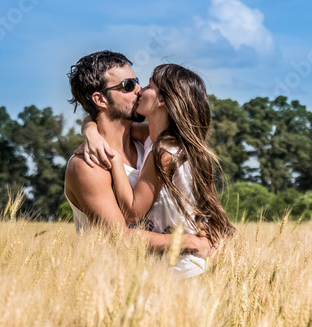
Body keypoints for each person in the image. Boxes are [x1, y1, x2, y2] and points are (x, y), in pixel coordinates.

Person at [79, 63, 236, 278]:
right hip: (175, 265)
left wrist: (114, 159)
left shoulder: (164, 151)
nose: (140, 90)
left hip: (180, 268)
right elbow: (107, 124)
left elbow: (132, 213)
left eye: (149, 86)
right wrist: (90, 132)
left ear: (161, 100)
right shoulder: (153, 137)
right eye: (130, 85)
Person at [63, 51, 215, 261]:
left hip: (162, 283)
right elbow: (121, 238)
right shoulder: (88, 166)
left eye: (137, 82)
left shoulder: (151, 140)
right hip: (110, 287)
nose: (139, 90)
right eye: (128, 86)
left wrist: (89, 128)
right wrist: (191, 243)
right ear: (100, 99)